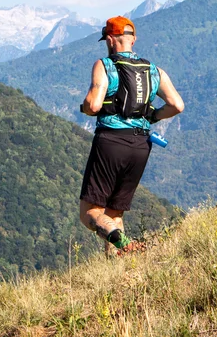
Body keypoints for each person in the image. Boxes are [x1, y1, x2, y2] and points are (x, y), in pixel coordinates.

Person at [79, 16, 184, 255]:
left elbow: (94, 105)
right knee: (114, 213)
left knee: (90, 213)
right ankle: (120, 266)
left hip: (111, 143)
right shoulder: (154, 70)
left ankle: (124, 243)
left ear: (109, 39)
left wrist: (84, 107)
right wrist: (152, 117)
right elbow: (177, 105)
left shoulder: (105, 65)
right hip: (140, 145)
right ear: (133, 39)